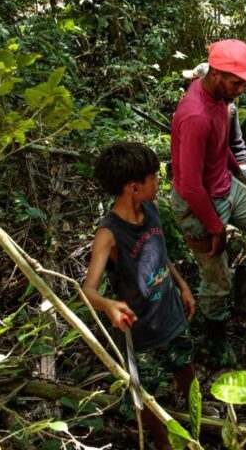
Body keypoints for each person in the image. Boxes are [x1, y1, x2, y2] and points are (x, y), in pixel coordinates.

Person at [170, 39, 246, 368]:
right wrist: (216, 228)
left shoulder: (220, 98)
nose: (242, 89)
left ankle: (245, 301)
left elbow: (220, 147)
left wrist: (238, 174)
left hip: (225, 186)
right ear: (217, 74)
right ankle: (216, 335)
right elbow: (189, 185)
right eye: (238, 81)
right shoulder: (194, 115)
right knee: (215, 278)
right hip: (198, 204)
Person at [83, 142, 196, 450]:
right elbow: (88, 289)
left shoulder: (152, 210)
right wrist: (108, 305)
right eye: (153, 178)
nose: (158, 183)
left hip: (171, 316)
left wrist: (182, 285)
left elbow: (161, 254)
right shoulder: (109, 234)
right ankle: (163, 443)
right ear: (134, 187)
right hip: (141, 335)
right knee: (147, 396)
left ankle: (197, 412)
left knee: (184, 366)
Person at [183, 63, 246, 196]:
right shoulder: (223, 105)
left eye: (194, 80)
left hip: (231, 170)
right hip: (238, 167)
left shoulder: (223, 108)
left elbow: (220, 146)